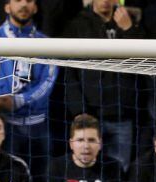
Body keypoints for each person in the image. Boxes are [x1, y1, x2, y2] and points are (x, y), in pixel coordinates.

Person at [0, 0, 58, 182]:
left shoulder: (46, 43)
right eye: (17, 0)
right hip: (4, 127)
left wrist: (19, 100)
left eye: (29, 1)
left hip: (38, 127)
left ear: (35, 7)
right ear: (6, 6)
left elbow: (48, 81)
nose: (23, 5)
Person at [62, 0, 145, 171]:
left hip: (122, 115)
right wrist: (79, 110)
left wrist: (129, 29)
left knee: (119, 171)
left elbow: (144, 61)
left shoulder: (130, 21)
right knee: (87, 171)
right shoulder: (77, 25)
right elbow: (69, 73)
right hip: (88, 117)